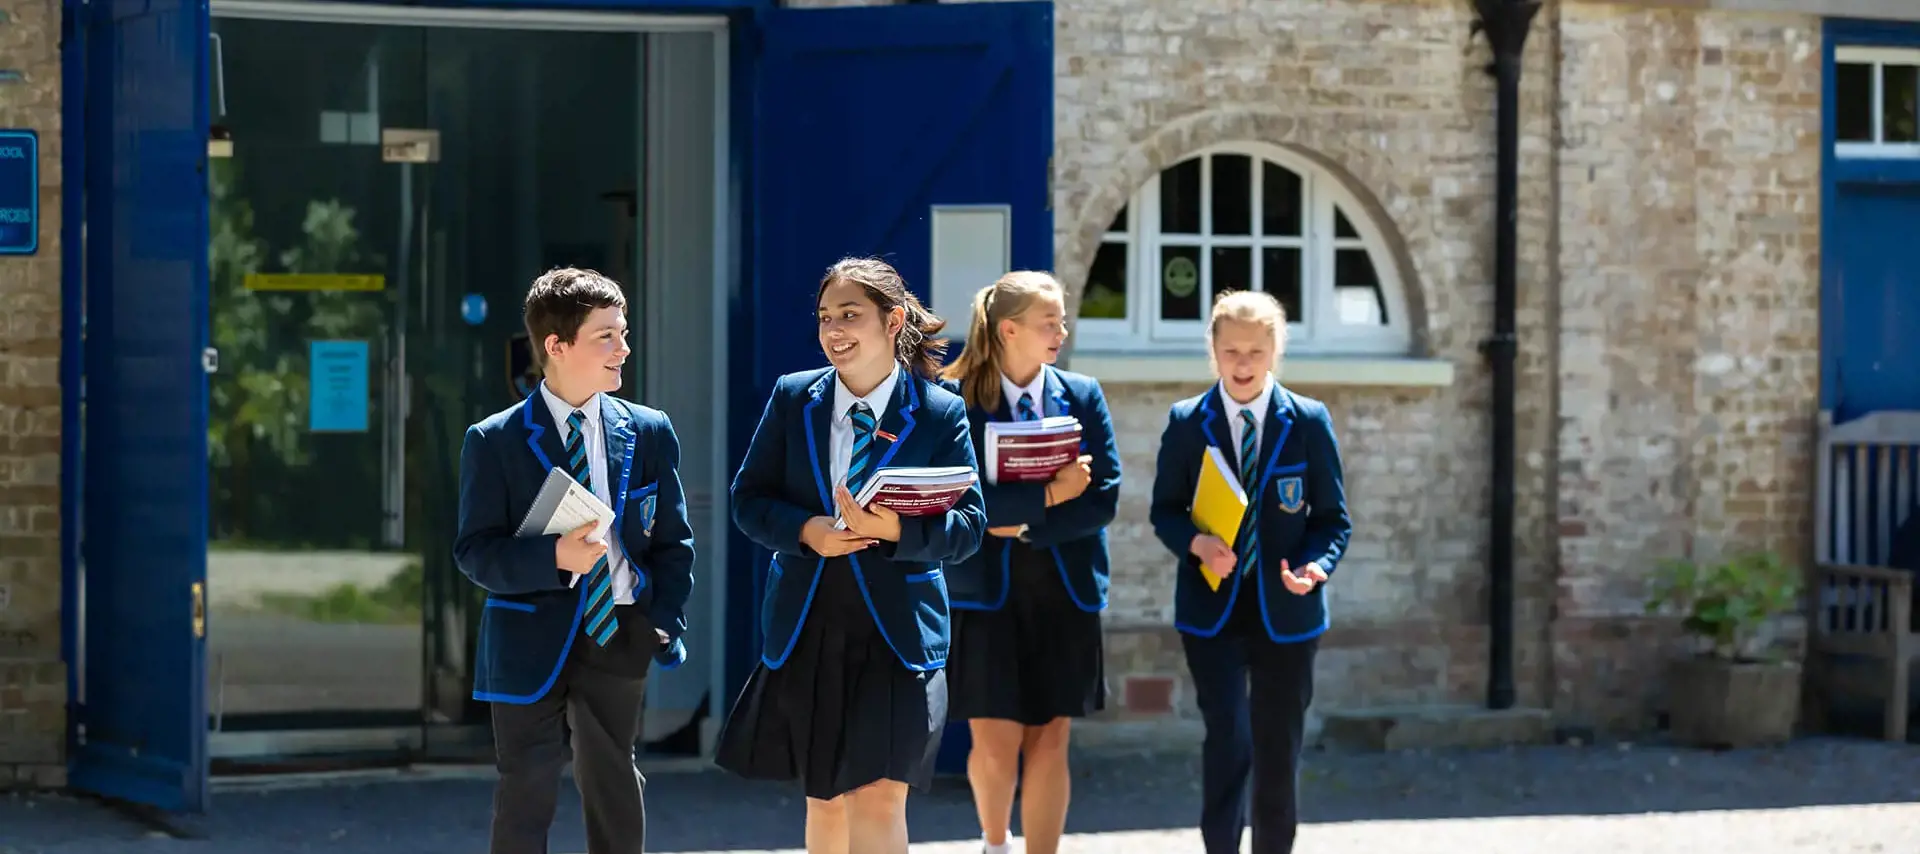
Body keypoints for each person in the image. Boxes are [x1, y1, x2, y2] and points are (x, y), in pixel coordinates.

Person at [716, 257, 988, 854]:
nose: (835, 330)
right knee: (828, 798)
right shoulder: (794, 399)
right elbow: (749, 500)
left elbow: (968, 526)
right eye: (825, 318)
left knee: (880, 794)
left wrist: (896, 530)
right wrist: (809, 530)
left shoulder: (940, 409)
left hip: (900, 635)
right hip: (812, 626)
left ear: (893, 322)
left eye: (850, 315)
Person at [453, 267, 696, 854]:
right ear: (556, 348)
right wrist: (553, 557)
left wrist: (659, 620)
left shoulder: (648, 431)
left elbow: (674, 542)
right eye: (606, 336)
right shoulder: (495, 440)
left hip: (618, 632)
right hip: (527, 641)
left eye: (624, 331)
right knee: (525, 791)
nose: (624, 348)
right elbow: (474, 552)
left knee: (613, 782)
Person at [1147, 289, 1352, 854]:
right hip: (1211, 610)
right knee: (1229, 738)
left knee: (1278, 747)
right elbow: (1164, 510)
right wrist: (1197, 544)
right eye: (1231, 350)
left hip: (1287, 612)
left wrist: (1315, 566)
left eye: (1255, 352)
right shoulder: (1189, 422)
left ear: (1275, 352)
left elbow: (1333, 521)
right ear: (1212, 350)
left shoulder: (1307, 421)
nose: (1243, 364)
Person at [937, 271, 1121, 854]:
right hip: (984, 594)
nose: (1061, 332)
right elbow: (957, 498)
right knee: (994, 739)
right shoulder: (957, 402)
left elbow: (1104, 496)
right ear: (1009, 329)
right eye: (1050, 323)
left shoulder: (1084, 394)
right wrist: (1045, 497)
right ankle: (995, 844)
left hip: (1064, 589)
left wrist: (1022, 523)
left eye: (1062, 320)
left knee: (1052, 736)